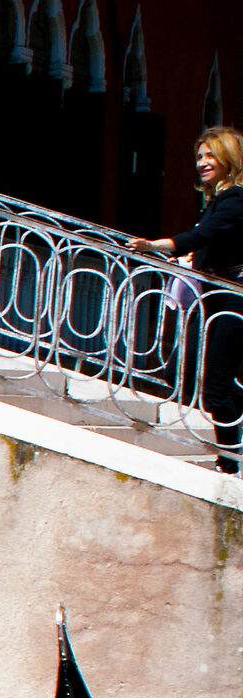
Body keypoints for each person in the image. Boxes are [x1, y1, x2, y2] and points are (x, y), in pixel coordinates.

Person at [129, 128, 243, 475]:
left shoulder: (236, 198)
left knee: (216, 385)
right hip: (213, 296)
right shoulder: (218, 200)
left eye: (210, 155)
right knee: (191, 372)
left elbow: (202, 236)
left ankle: (230, 461)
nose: (203, 163)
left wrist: (155, 246)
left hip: (234, 297)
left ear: (229, 159)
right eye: (199, 157)